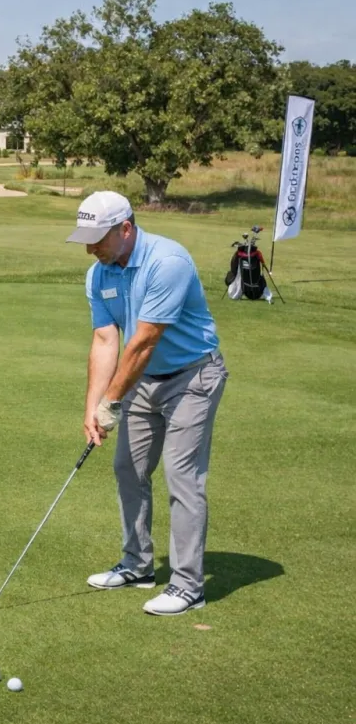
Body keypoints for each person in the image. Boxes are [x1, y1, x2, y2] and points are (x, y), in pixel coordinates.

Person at [70, 190, 227, 616]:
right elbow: (106, 340)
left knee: (182, 475)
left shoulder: (167, 261)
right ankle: (137, 565)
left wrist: (112, 401)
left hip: (192, 377)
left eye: (97, 239)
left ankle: (188, 586)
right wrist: (93, 407)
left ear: (125, 229)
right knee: (129, 468)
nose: (90, 249)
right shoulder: (98, 274)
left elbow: (143, 342)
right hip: (144, 380)